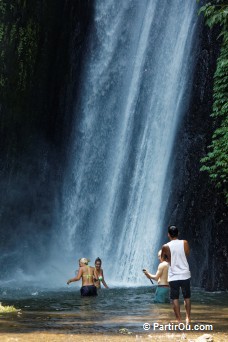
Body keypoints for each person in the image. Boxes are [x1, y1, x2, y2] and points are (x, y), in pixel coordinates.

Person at [162, 225, 191, 324]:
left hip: (173, 275)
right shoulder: (185, 242)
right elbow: (187, 253)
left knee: (175, 298)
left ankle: (179, 320)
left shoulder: (165, 246)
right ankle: (188, 318)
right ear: (178, 234)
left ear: (168, 235)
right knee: (186, 297)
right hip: (185, 274)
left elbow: (163, 259)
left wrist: (168, 258)